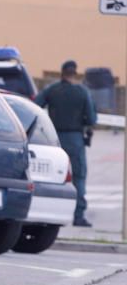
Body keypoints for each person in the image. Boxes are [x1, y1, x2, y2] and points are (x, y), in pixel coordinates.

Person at [35, 60, 97, 227]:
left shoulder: (52, 90)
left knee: (52, 176)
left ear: (62, 73)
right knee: (78, 177)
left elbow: (36, 106)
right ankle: (78, 215)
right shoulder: (82, 92)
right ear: (74, 73)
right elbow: (91, 119)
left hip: (54, 138)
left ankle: (46, 214)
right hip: (75, 139)